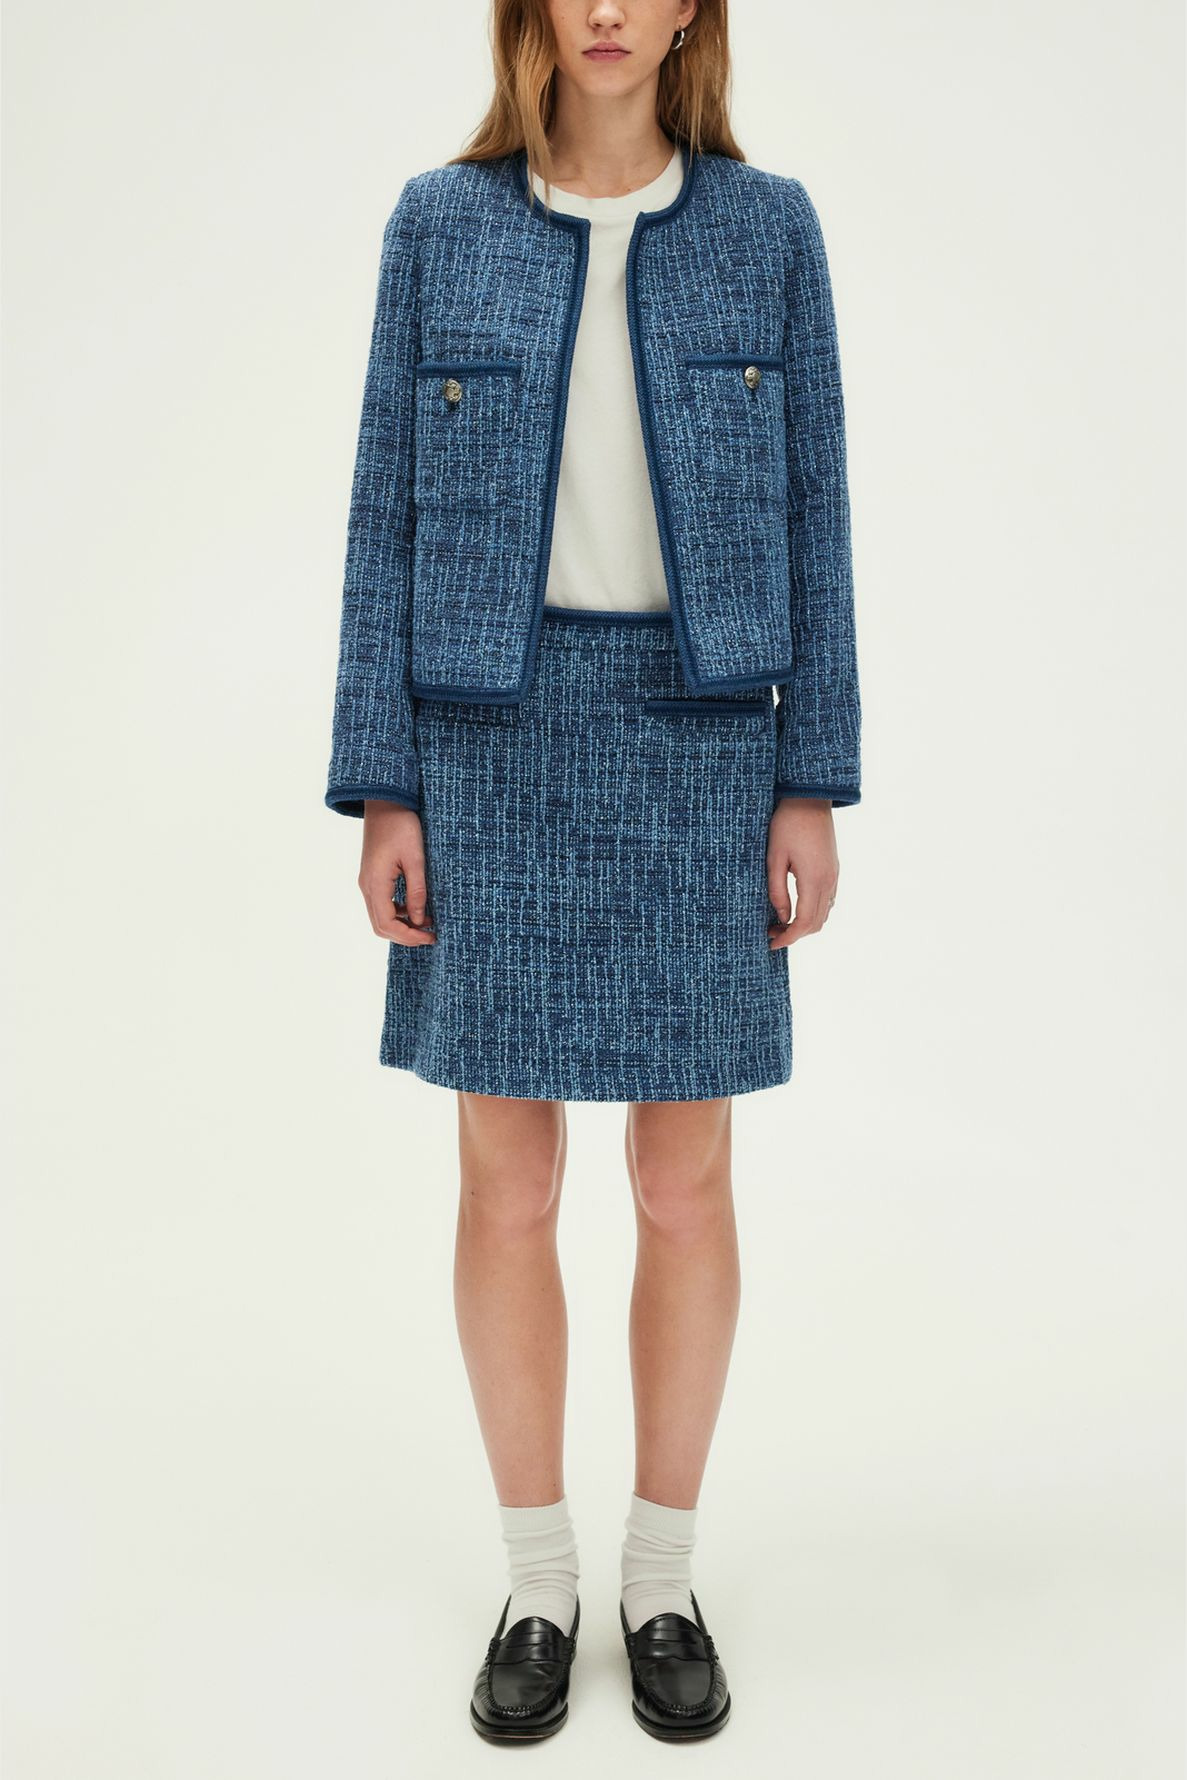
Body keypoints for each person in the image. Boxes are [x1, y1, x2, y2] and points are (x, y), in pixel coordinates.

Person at [323, 0, 862, 1744]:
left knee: (685, 1183)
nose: (611, 9)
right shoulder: (438, 222)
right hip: (487, 741)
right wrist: (383, 782)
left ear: (695, 7)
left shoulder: (770, 230)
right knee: (506, 1182)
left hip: (704, 743)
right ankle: (539, 1582)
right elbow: (382, 511)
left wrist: (811, 774)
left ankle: (663, 1577)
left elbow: (819, 510)